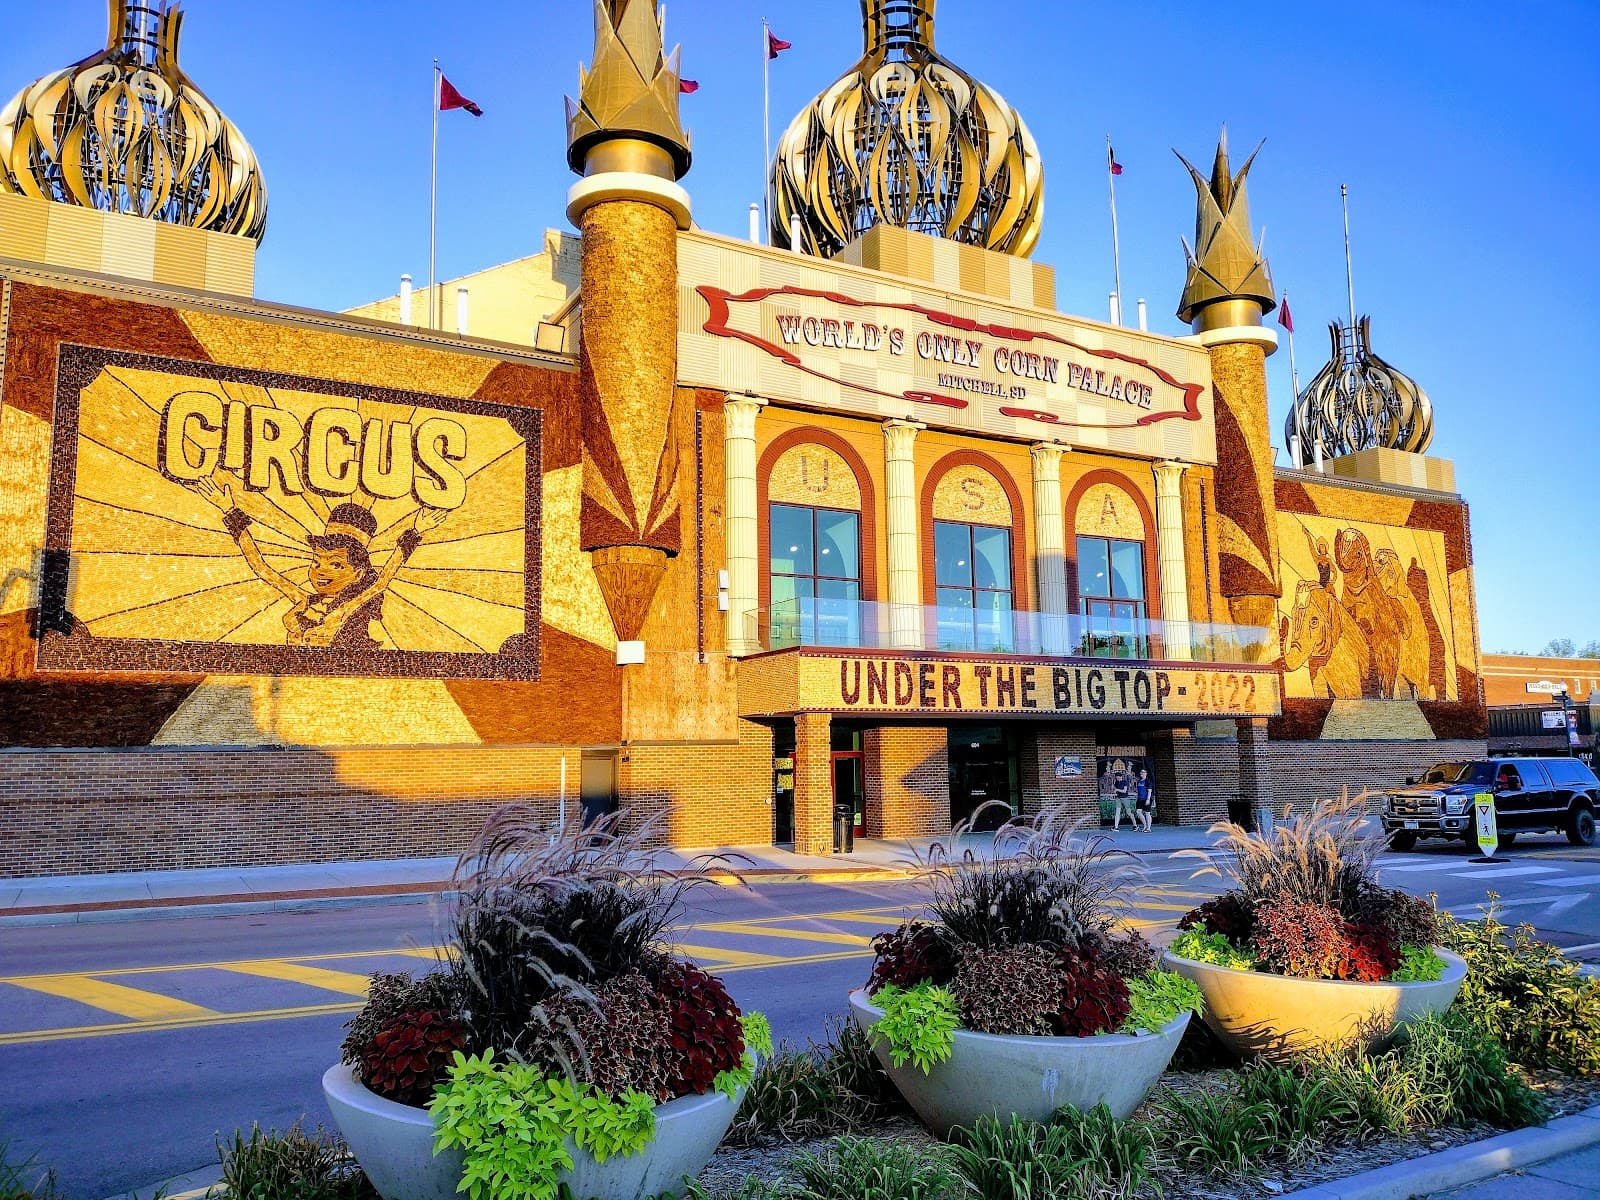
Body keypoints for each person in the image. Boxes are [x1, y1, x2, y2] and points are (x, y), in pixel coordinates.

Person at [194, 478, 447, 649]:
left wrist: (416, 532)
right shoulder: (305, 600)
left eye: (336, 565)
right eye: (317, 561)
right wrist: (230, 512)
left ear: (358, 573)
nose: (321, 571)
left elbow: (380, 582)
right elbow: (262, 568)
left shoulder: (346, 609)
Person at [1134, 768, 1155, 832]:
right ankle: (1145, 826)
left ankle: (1148, 828)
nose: (1142, 774)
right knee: (1138, 812)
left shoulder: (1148, 781)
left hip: (1146, 799)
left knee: (1147, 813)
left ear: (1146, 773)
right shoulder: (1139, 781)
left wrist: (1148, 799)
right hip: (1140, 799)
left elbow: (1149, 791)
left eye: (1143, 773)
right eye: (1141, 773)